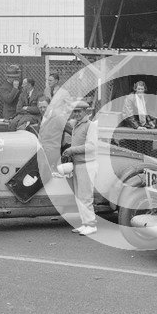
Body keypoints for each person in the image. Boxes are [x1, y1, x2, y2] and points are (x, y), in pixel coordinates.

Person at [62, 100, 98, 236]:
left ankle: (91, 224)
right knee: (79, 197)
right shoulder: (76, 125)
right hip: (78, 164)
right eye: (75, 111)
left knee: (85, 196)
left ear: (86, 112)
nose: (76, 114)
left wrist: (72, 150)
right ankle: (85, 224)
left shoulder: (90, 126)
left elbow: (91, 147)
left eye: (79, 111)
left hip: (87, 165)